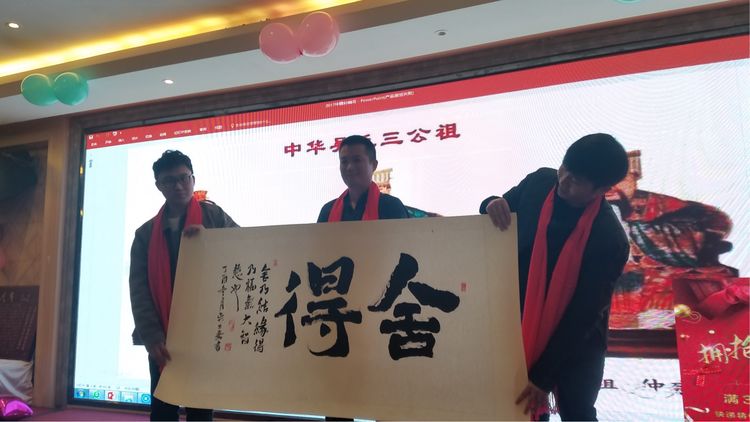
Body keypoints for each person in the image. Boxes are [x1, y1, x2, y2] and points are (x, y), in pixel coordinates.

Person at [480, 133, 630, 421]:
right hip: (518, 324)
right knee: (520, 410)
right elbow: (500, 208)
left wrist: (542, 377)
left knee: (577, 412)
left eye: (576, 180)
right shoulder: (539, 183)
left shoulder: (609, 239)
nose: (563, 180)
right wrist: (491, 202)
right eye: (564, 169)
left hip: (575, 341)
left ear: (601, 189)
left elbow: (583, 314)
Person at [129, 150, 238, 421]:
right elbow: (139, 291)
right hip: (163, 335)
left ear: (193, 178)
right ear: (158, 185)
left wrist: (211, 240)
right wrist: (152, 337)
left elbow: (243, 249)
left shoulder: (213, 217)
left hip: (204, 330)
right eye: (169, 181)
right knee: (162, 409)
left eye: (183, 178)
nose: (178, 186)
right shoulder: (145, 234)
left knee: (200, 410)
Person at [605, 150, 738, 330]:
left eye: (618, 179)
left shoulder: (666, 207)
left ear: (634, 177)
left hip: (662, 275)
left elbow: (715, 225)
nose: (610, 187)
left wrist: (632, 230)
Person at [317, 135, 408, 222]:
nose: (349, 167)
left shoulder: (391, 207)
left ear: (374, 165)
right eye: (344, 162)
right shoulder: (328, 211)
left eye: (357, 160)